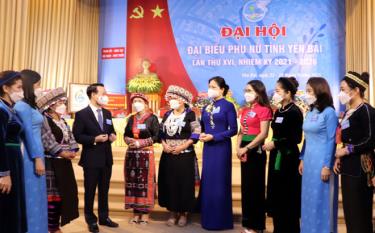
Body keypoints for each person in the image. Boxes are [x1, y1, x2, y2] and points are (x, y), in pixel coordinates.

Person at [73, 83, 118, 233]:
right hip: (91, 158)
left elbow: (111, 130)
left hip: (106, 158)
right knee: (90, 190)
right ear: (93, 94)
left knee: (104, 190)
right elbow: (77, 136)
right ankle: (91, 220)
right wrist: (94, 139)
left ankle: (104, 217)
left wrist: (112, 136)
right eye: (102, 93)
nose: (105, 96)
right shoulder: (81, 114)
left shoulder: (107, 113)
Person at [334, 72, 375, 233]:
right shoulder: (348, 112)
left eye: (343, 89)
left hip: (361, 167)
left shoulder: (366, 110)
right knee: (351, 213)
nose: (341, 93)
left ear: (356, 90)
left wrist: (347, 150)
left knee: (360, 214)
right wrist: (340, 156)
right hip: (348, 167)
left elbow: (371, 139)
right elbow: (346, 138)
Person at [263, 77, 303, 233]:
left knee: (288, 196)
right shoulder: (278, 110)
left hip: (288, 158)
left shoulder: (295, 111)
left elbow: (296, 138)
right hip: (275, 157)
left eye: (278, 91)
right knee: (276, 195)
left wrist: (276, 144)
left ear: (288, 93)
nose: (275, 93)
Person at [298, 77, 338, 233]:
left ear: (319, 91)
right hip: (309, 162)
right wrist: (302, 159)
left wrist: (327, 166)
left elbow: (331, 140)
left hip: (322, 163)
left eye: (309, 91)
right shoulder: (310, 111)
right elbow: (307, 138)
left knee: (321, 201)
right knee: (309, 201)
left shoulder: (329, 112)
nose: (306, 94)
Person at [37, 88, 80, 233]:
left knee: (64, 194)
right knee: (52, 197)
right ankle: (51, 227)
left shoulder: (62, 121)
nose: (64, 106)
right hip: (51, 162)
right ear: (52, 105)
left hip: (64, 163)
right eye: (61, 103)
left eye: (64, 103)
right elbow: (46, 139)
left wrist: (73, 150)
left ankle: (56, 226)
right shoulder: (44, 120)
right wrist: (61, 152)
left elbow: (71, 138)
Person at [158, 85, 201, 227]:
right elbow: (160, 132)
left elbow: (196, 133)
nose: (171, 101)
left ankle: (183, 213)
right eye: (170, 98)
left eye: (173, 98)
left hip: (184, 155)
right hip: (168, 155)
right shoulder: (166, 114)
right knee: (169, 183)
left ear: (182, 100)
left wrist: (182, 146)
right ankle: (172, 212)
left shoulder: (191, 114)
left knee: (184, 184)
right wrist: (164, 145)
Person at [199, 76, 238, 230]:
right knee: (208, 182)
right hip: (208, 149)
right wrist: (201, 134)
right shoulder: (206, 107)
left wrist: (214, 137)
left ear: (222, 89)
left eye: (214, 87)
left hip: (221, 148)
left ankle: (221, 221)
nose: (211, 89)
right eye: (209, 86)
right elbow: (201, 127)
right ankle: (207, 219)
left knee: (219, 183)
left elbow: (233, 129)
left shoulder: (228, 106)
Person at [14, 69, 48, 233]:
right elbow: (27, 133)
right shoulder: (21, 106)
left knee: (38, 196)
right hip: (29, 155)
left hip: (36, 152)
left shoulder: (28, 105)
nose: (40, 88)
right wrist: (36, 158)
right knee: (31, 197)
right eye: (38, 85)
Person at [237, 80, 272, 233]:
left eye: (250, 90)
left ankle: (257, 225)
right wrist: (238, 148)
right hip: (243, 149)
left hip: (255, 150)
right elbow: (241, 131)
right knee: (246, 187)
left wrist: (246, 148)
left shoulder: (264, 110)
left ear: (258, 92)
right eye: (245, 90)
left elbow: (263, 134)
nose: (246, 93)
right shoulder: (244, 110)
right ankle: (247, 222)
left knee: (256, 188)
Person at [124, 93, 159, 225]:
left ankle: (145, 213)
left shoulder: (152, 118)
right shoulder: (131, 118)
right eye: (134, 101)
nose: (136, 103)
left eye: (139, 101)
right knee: (133, 183)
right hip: (132, 155)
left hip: (146, 155)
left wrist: (141, 143)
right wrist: (129, 141)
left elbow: (157, 136)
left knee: (146, 183)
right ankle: (135, 212)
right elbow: (126, 134)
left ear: (145, 103)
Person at [0, 71, 27, 233]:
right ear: (5, 88)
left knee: (14, 204)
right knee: (6, 205)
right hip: (7, 160)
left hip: (14, 160)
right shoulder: (1, 110)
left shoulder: (10, 108)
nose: (21, 91)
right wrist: (3, 173)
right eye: (18, 87)